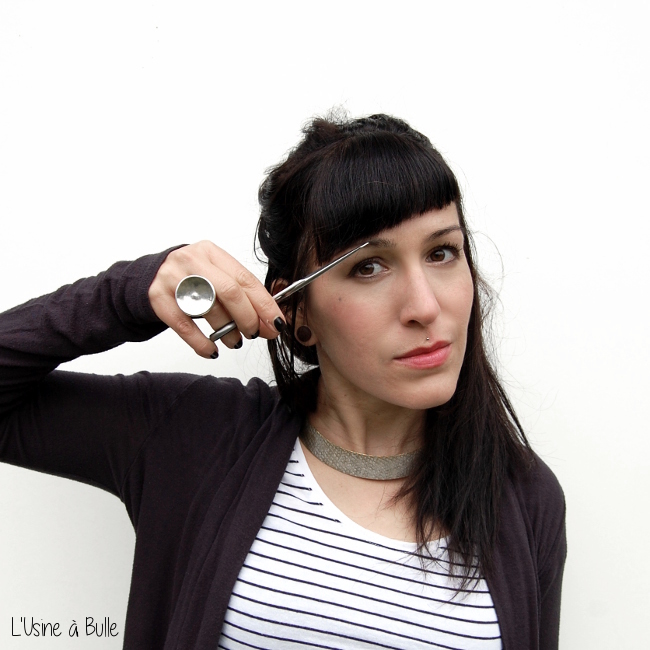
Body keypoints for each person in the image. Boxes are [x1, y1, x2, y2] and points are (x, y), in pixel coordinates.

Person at [0, 113, 566, 649]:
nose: (425, 306)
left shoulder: (526, 500)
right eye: (368, 266)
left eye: (442, 252)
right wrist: (133, 291)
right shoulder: (192, 436)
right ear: (296, 312)